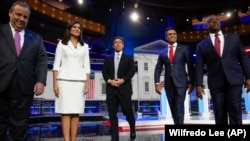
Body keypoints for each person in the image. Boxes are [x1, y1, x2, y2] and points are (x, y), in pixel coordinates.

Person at [0, 1, 48, 141]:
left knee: (20, 127)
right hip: (1, 86)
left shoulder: (36, 38)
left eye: (25, 16)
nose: (21, 18)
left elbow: (42, 60)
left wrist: (40, 80)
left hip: (24, 89)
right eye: (18, 14)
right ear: (10, 13)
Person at [195, 15, 250, 124]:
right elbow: (199, 66)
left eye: (217, 20)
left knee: (235, 109)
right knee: (219, 112)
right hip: (216, 82)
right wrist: (199, 84)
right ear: (206, 25)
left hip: (234, 80)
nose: (215, 22)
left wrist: (248, 77)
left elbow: (244, 58)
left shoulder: (234, 38)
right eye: (211, 21)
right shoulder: (201, 45)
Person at [53, 19, 90, 141]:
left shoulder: (85, 46)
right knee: (65, 111)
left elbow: (87, 66)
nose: (77, 29)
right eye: (74, 27)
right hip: (64, 81)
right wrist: (55, 83)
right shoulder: (62, 44)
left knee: (76, 112)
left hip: (79, 82)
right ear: (69, 29)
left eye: (79, 28)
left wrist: (87, 83)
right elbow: (56, 65)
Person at [154, 27, 195, 125]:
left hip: (181, 82)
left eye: (174, 34)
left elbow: (190, 66)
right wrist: (157, 83)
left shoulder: (184, 49)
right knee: (172, 106)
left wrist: (191, 82)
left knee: (179, 105)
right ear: (166, 37)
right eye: (170, 34)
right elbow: (158, 68)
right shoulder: (162, 52)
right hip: (168, 83)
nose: (172, 35)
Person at [102, 36, 136, 141]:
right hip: (111, 90)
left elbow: (132, 71)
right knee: (112, 115)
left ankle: (133, 129)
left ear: (123, 45)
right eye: (115, 42)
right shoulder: (107, 59)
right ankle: (114, 138)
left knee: (127, 111)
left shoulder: (129, 58)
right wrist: (109, 81)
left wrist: (123, 80)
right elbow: (104, 72)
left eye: (119, 42)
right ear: (113, 45)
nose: (117, 44)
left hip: (124, 89)